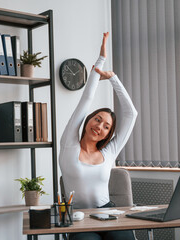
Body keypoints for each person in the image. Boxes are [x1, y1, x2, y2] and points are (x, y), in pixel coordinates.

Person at [59, 32, 137, 240]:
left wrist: (113, 79)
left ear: (108, 133)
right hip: (79, 219)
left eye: (106, 126)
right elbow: (86, 99)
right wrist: (100, 60)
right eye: (98, 119)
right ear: (88, 120)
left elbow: (131, 114)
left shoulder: (109, 151)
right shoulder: (69, 145)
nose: (100, 126)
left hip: (108, 213)